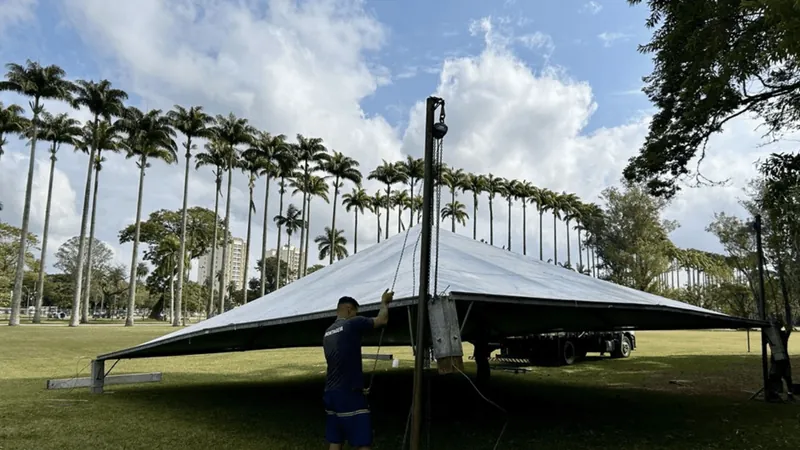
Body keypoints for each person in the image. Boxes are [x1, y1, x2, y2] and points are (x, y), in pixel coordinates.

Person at [323, 289, 393, 450]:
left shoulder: (327, 332)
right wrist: (384, 303)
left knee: (336, 438)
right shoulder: (352, 323)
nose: (356, 315)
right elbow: (381, 320)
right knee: (363, 441)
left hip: (330, 393)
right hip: (349, 393)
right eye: (355, 312)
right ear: (349, 309)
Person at [765, 319, 794, 402]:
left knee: (781, 376)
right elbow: (789, 328)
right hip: (782, 359)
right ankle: (785, 393)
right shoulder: (782, 334)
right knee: (785, 377)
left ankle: (780, 393)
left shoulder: (772, 335)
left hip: (778, 360)